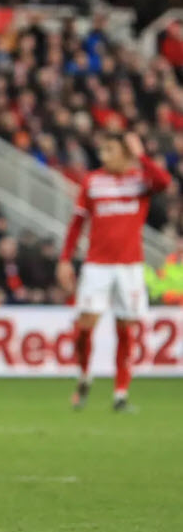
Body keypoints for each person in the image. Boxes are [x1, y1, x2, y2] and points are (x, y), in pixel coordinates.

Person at [57, 132, 171, 411]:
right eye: (103, 149)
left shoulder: (139, 180)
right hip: (97, 265)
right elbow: (77, 223)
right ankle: (84, 375)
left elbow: (164, 182)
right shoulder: (93, 181)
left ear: (125, 153)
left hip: (130, 267)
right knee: (84, 328)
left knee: (125, 331)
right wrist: (64, 259)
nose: (103, 154)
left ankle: (120, 394)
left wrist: (141, 155)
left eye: (110, 149)